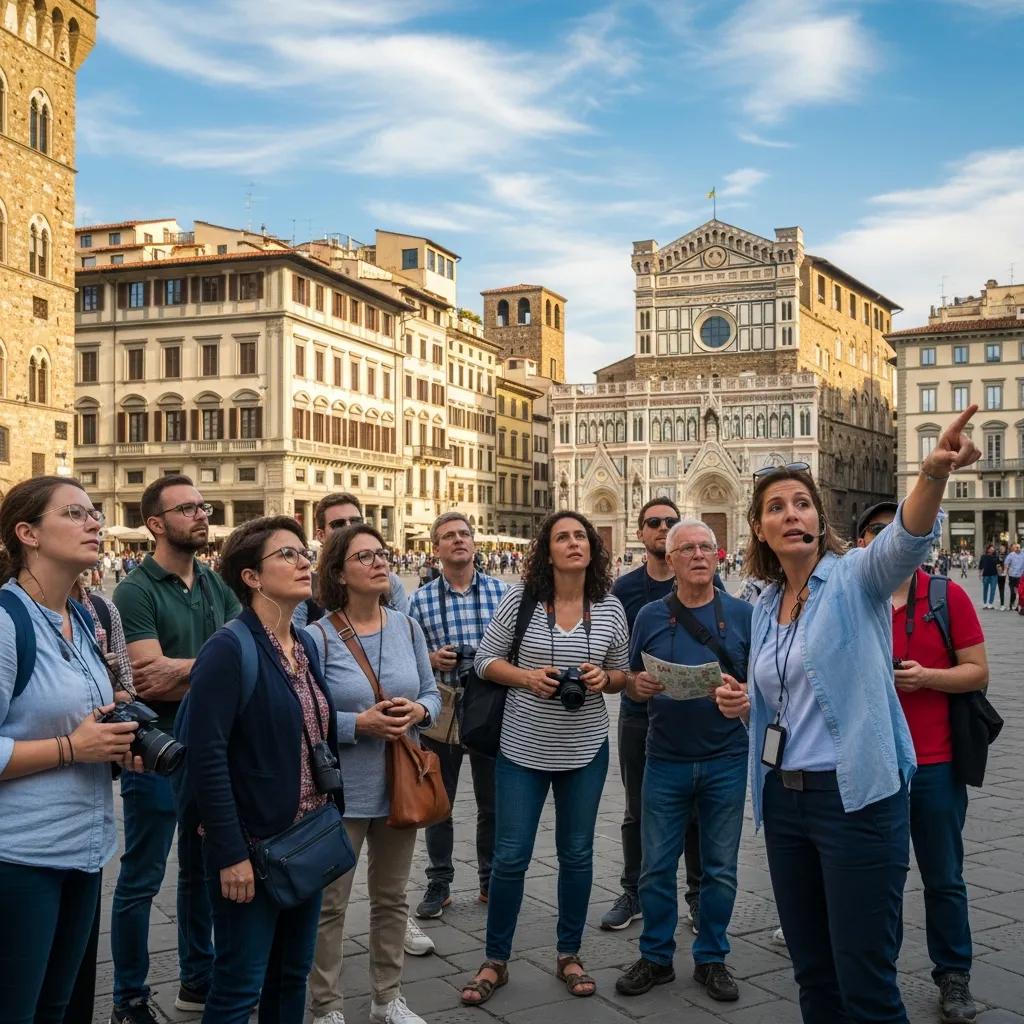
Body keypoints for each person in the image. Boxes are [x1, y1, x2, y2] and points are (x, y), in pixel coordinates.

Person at [715, 406, 982, 1024]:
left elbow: (904, 541)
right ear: (757, 527)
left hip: (855, 800)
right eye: (776, 507)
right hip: (784, 801)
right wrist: (743, 704)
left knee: (865, 983)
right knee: (812, 974)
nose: (792, 514)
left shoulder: (856, 579)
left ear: (819, 517)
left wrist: (933, 474)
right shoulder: (763, 606)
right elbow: (785, 697)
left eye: (802, 504)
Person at [460, 511, 630, 1006]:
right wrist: (530, 678)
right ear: (548, 550)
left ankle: (569, 954)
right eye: (563, 537)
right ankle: (495, 960)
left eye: (581, 536)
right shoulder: (521, 601)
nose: (574, 543)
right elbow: (486, 663)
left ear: (592, 549)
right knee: (511, 857)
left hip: (584, 751)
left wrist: (605, 680)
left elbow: (622, 674)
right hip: (521, 749)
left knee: (577, 855)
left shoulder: (611, 608)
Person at [185, 517, 341, 1022]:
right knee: (237, 987)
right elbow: (205, 756)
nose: (303, 563)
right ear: (252, 577)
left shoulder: (306, 643)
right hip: (251, 847)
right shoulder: (228, 648)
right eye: (287, 555)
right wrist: (231, 853)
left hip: (305, 839)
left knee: (290, 977)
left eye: (304, 553)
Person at [0, 477, 144, 1023]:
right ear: (28, 533)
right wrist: (70, 748)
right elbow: (68, 739)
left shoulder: (82, 617)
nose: (95, 523)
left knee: (58, 1008)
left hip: (84, 848)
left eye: (95, 514)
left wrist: (112, 743)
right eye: (76, 513)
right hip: (19, 857)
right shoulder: (6, 620)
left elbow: (83, 720)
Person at [110, 475, 241, 1023]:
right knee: (141, 878)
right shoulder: (134, 590)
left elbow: (247, 658)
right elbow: (148, 682)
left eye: (203, 506)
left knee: (199, 871)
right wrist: (214, 669)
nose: (201, 515)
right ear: (156, 524)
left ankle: (196, 979)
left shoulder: (214, 582)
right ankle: (129, 997)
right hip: (155, 755)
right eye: (187, 508)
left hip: (210, 754)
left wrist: (187, 669)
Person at [857, 501, 988, 1023]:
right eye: (874, 532)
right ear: (861, 543)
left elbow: (978, 673)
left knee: (944, 876)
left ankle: (953, 975)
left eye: (896, 530)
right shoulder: (852, 601)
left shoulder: (946, 595)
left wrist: (926, 677)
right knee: (875, 881)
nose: (886, 538)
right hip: (872, 763)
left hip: (933, 762)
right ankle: (876, 970)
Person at [305, 525, 440, 1024]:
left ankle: (387, 998)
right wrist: (355, 723)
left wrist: (418, 713)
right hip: (341, 793)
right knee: (330, 906)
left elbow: (432, 693)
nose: (380, 562)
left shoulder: (406, 627)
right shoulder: (315, 637)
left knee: (392, 898)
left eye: (382, 554)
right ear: (339, 573)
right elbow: (306, 715)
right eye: (365, 557)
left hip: (402, 785)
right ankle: (326, 1006)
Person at [616, 519, 751, 1003]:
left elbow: (766, 690)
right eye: (687, 549)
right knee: (654, 867)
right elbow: (631, 681)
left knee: (719, 868)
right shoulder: (650, 616)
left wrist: (746, 698)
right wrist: (639, 684)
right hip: (666, 758)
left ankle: (712, 957)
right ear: (669, 560)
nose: (698, 555)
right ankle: (655, 956)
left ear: (718, 557)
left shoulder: (742, 615)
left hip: (726, 759)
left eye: (706, 548)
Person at [408, 512, 508, 920]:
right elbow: (408, 654)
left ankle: (489, 880)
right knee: (438, 801)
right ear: (436, 548)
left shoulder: (502, 593)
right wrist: (432, 657)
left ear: (474, 542)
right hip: (443, 704)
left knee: (493, 803)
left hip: (490, 706)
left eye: (464, 534)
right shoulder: (420, 598)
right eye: (448, 536)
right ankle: (439, 882)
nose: (458, 541)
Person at [603, 497, 686, 932]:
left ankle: (697, 896)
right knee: (636, 808)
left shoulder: (699, 579)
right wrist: (626, 678)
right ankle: (633, 892)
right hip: (638, 713)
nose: (661, 528)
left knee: (693, 810)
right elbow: (612, 654)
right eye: (653, 522)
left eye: (670, 523)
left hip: (691, 716)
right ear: (640, 532)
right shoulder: (624, 590)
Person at [293, 493, 408, 629]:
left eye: (355, 521)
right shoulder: (306, 588)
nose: (349, 528)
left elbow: (404, 637)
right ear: (321, 535)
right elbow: (297, 645)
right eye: (338, 524)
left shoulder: (390, 583)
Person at [978, 544, 1000, 609]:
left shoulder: (996, 557)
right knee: (985, 589)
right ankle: (985, 603)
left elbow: (998, 565)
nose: (992, 549)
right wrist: (979, 574)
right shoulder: (983, 556)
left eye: (993, 548)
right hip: (985, 575)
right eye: (991, 548)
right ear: (988, 549)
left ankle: (990, 603)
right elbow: (980, 566)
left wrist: (1000, 572)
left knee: (993, 590)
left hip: (994, 575)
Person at [1004, 543, 1024, 612]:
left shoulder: (1023, 555)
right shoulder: (1011, 555)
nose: (1017, 548)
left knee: (1020, 592)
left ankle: (1018, 606)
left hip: (1020, 576)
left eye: (1018, 547)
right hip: (1012, 576)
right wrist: (1005, 572)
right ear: (1014, 548)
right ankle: (1011, 604)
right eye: (1016, 547)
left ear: (1020, 547)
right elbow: (1006, 563)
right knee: (1013, 591)